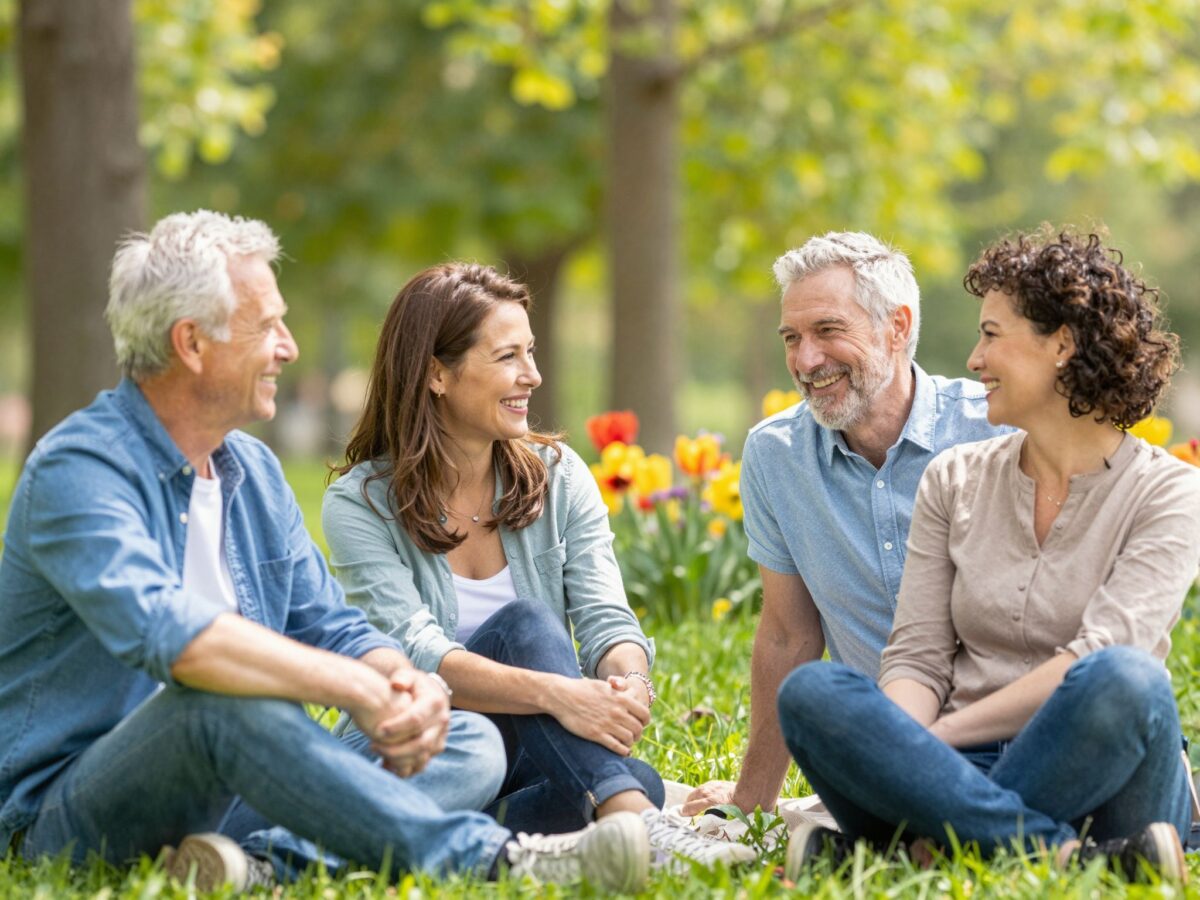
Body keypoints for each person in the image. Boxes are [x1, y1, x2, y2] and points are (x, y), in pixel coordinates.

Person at [0, 211, 653, 893]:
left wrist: (400, 682)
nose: (288, 347)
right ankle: (498, 858)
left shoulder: (249, 471)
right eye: (267, 327)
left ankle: (253, 863)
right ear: (191, 343)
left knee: (470, 742)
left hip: (237, 791)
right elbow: (179, 639)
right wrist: (356, 688)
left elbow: (329, 623)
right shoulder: (80, 471)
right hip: (71, 812)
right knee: (217, 701)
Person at [779, 229, 1200, 883]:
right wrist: (907, 744)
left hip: (1107, 772)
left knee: (1124, 679)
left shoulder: (1171, 492)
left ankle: (916, 849)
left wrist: (918, 751)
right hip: (953, 768)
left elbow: (1096, 659)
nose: (973, 359)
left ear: (1060, 344)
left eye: (992, 335)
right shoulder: (956, 479)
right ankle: (1070, 859)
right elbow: (916, 657)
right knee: (812, 691)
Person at [322, 262, 753, 869]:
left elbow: (608, 621)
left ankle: (528, 834)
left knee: (634, 779)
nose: (533, 375)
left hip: (526, 758)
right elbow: (417, 652)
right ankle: (639, 828)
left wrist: (628, 685)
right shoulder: (361, 504)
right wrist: (562, 694)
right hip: (423, 755)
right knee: (524, 626)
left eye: (530, 352)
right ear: (436, 374)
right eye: (507, 357)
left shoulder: (559, 477)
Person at [683, 232, 1002, 818]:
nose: (806, 361)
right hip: (885, 752)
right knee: (816, 698)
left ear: (897, 328)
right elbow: (787, 634)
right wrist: (752, 801)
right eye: (791, 338)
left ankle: (965, 824)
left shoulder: (995, 431)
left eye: (828, 331)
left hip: (1010, 730)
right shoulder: (775, 456)